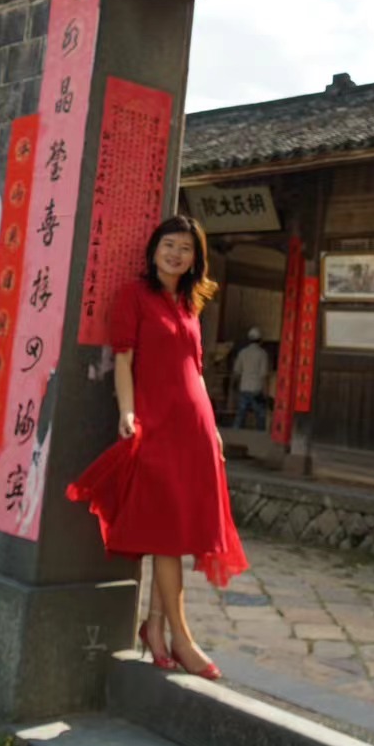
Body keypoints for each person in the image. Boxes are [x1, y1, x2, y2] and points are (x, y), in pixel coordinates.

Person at [66, 214, 248, 680]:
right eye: (169, 245)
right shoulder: (134, 296)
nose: (176, 254)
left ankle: (155, 628)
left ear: (195, 258)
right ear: (154, 250)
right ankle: (181, 639)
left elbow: (196, 371)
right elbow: (124, 360)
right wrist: (127, 413)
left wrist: (214, 429)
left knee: (178, 532)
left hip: (195, 428)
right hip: (157, 425)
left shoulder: (189, 304)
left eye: (186, 248)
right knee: (167, 532)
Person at [232, 327, 270, 432]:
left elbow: (237, 372)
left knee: (240, 416)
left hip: (244, 388)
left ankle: (234, 435)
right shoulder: (262, 354)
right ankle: (259, 438)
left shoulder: (242, 353)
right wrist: (266, 393)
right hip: (257, 390)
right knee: (260, 417)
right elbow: (264, 375)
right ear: (260, 340)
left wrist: (234, 387)